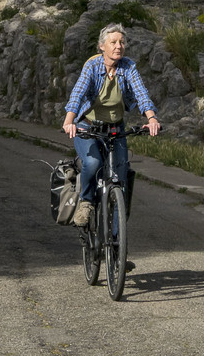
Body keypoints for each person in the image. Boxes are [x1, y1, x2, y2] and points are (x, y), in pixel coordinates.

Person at [62, 23, 160, 215]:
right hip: (87, 127)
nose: (118, 46)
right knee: (93, 163)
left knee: (120, 178)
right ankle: (86, 201)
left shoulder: (128, 66)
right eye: (113, 42)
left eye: (122, 42)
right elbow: (78, 93)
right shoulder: (92, 66)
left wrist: (152, 118)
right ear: (102, 46)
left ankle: (117, 240)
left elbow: (141, 93)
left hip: (115, 129)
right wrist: (69, 121)